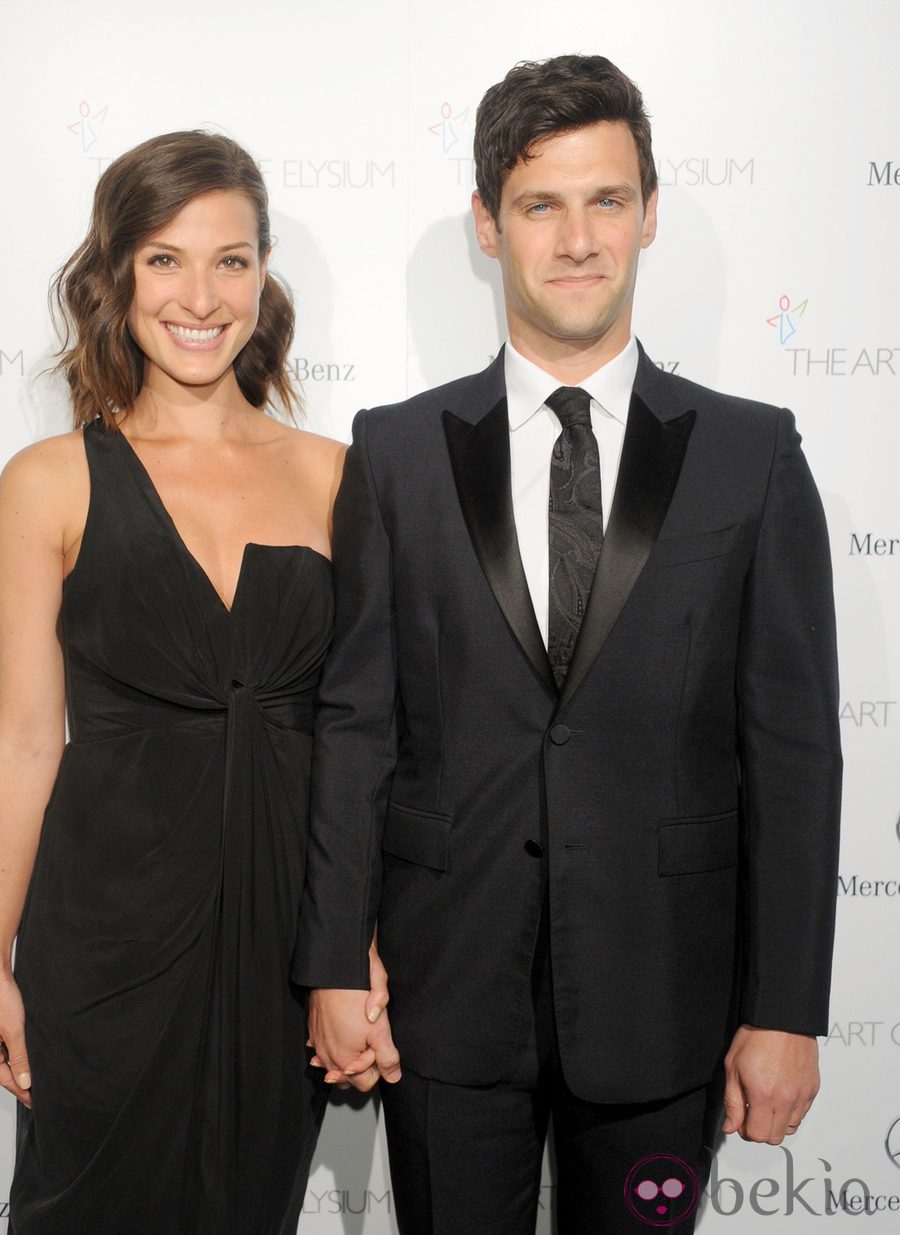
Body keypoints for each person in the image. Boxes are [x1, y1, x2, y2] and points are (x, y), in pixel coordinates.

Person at [293, 55, 841, 1234]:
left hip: (667, 999)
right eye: (540, 203)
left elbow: (793, 752)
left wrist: (786, 1006)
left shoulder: (750, 454)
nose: (578, 237)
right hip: (445, 1000)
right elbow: (355, 725)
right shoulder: (392, 451)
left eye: (605, 200)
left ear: (649, 211)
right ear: (487, 226)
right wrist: (335, 960)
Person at [0, 131, 381, 1235]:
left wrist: (357, 943)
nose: (200, 295)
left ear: (263, 276)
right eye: (164, 259)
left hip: (279, 943)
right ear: (114, 277)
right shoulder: (48, 482)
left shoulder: (338, 477)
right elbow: (24, 737)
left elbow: (364, 741)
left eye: (230, 260)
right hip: (101, 943)